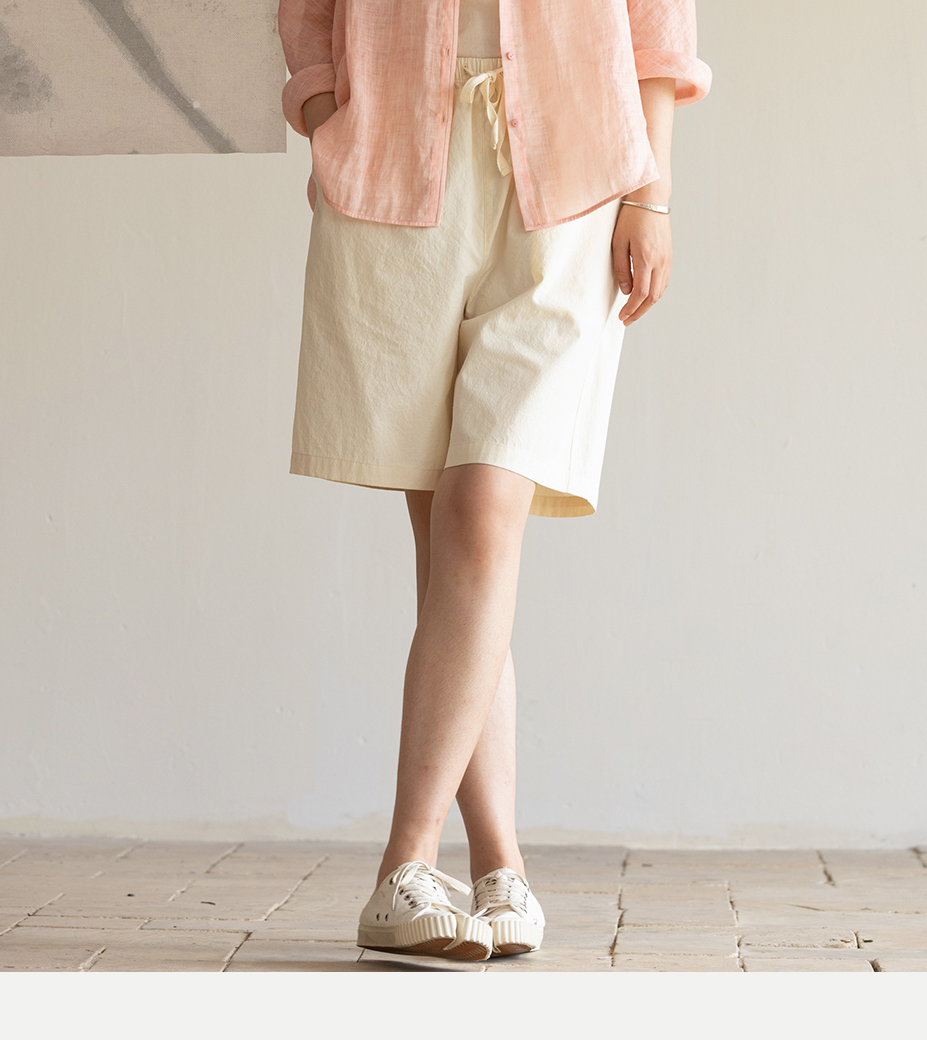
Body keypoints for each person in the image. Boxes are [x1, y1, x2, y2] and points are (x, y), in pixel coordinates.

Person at [279, 0, 711, 961]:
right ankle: (499, 867)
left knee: (482, 516)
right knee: (454, 557)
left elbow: (656, 24)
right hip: (396, 174)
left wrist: (652, 193)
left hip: (575, 178)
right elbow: (306, 14)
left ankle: (404, 862)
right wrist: (329, 123)